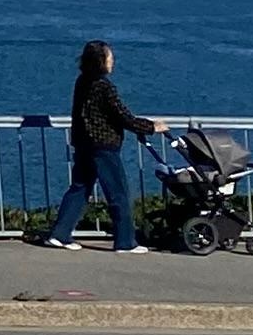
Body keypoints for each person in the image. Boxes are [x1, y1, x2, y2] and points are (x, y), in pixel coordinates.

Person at [37, 40, 160, 253]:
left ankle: (60, 233)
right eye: (110, 58)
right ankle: (125, 241)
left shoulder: (82, 82)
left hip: (84, 143)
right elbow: (124, 117)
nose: (113, 62)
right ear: (101, 61)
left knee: (80, 188)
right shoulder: (104, 87)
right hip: (103, 146)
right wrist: (151, 126)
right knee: (118, 193)